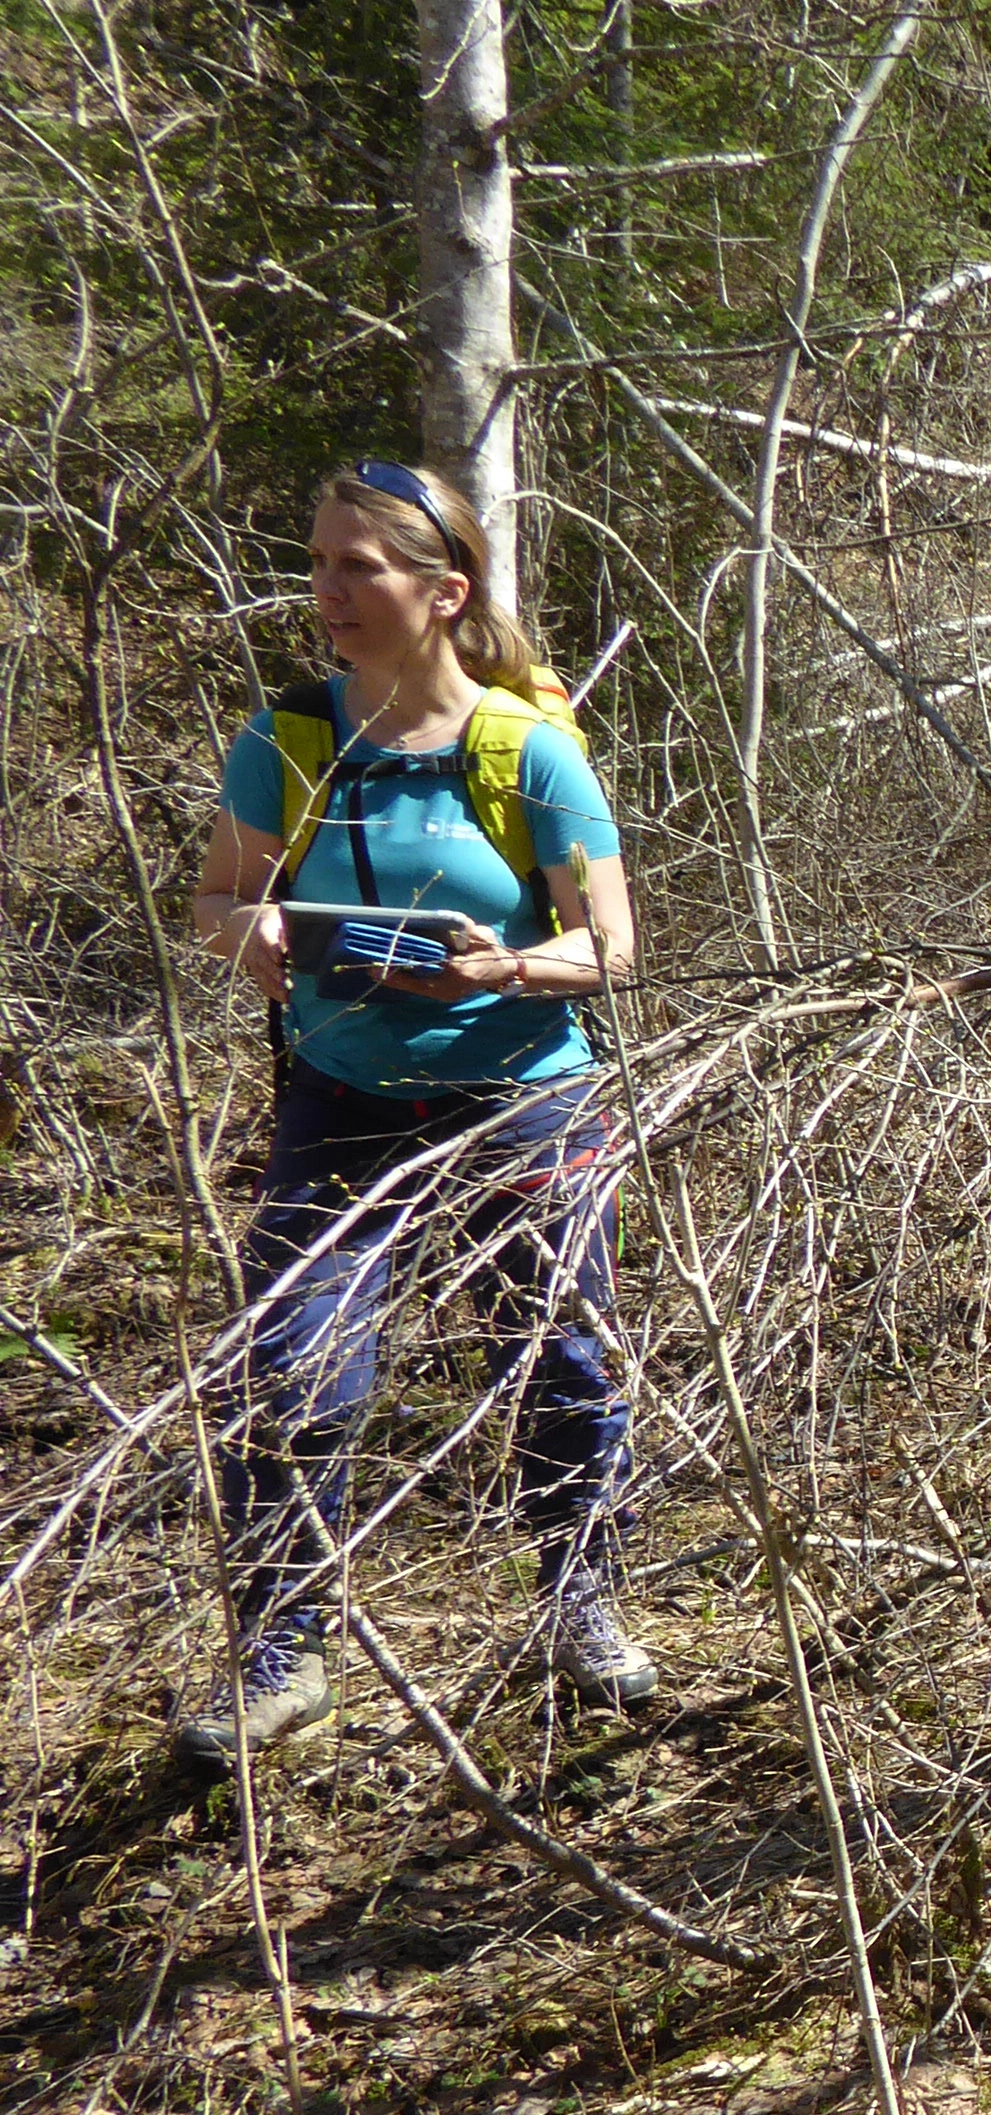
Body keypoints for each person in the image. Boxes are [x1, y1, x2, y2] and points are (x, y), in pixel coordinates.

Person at [176, 459, 647, 1766]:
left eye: (358, 567)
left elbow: (610, 945)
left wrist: (492, 964)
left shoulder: (527, 747)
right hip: (344, 1098)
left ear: (445, 593)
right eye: (319, 563)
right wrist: (256, 926)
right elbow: (216, 903)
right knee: (291, 1372)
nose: (327, 590)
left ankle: (580, 1606)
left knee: (560, 1361)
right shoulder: (289, 738)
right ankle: (281, 1656)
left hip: (524, 1099)